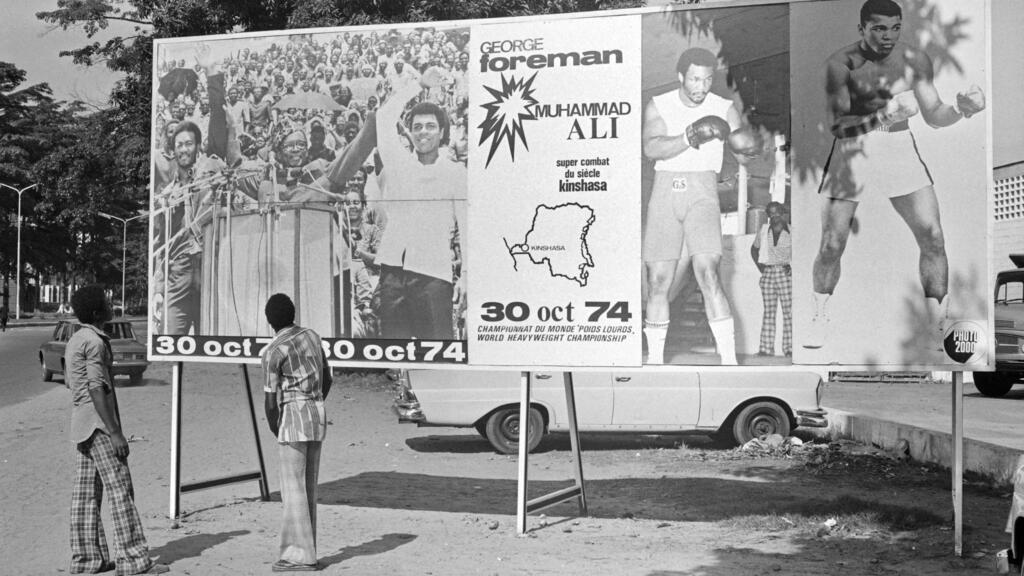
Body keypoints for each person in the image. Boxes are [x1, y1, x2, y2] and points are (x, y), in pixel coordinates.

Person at [806, 0, 986, 349]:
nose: (887, 35)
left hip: (898, 147)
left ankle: (937, 326)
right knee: (831, 243)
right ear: (862, 29)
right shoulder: (840, 64)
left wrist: (962, 110)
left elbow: (934, 115)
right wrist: (883, 116)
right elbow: (838, 127)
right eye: (878, 28)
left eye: (894, 27)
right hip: (853, 149)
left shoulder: (915, 60)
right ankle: (819, 317)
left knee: (933, 236)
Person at [641, 47, 761, 365]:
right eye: (695, 78)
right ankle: (654, 361)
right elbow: (651, 148)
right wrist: (691, 135)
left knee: (709, 273)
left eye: (707, 79)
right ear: (681, 76)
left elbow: (743, 154)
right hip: (665, 192)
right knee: (657, 281)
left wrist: (748, 146)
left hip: (703, 192)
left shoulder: (723, 107)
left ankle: (729, 361)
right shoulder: (660, 104)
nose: (701, 86)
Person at [66, 285, 169, 575]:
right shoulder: (96, 343)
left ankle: (88, 560)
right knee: (120, 489)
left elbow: (73, 384)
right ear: (99, 312)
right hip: (99, 425)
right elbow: (97, 387)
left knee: (86, 494)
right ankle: (134, 562)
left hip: (81, 423)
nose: (112, 306)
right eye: (108, 303)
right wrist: (114, 432)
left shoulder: (76, 339)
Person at [374, 68, 467, 339]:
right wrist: (417, 85)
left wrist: (467, 278)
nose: (422, 132)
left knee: (437, 352)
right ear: (410, 133)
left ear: (441, 132)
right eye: (416, 127)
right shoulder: (399, 163)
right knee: (395, 352)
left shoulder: (455, 173)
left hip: (433, 274)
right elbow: (384, 117)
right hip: (393, 272)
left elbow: (467, 228)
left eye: (430, 126)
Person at [262, 293, 332, 572]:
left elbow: (270, 401)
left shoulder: (274, 351)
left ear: (269, 321)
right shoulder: (313, 337)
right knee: (308, 488)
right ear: (292, 313)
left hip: (292, 419)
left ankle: (297, 556)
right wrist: (315, 401)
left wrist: (276, 426)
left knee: (293, 491)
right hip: (317, 417)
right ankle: (309, 552)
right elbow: (328, 379)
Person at [750, 202, 792, 357]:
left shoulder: (792, 231)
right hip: (768, 274)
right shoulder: (763, 231)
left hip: (784, 274)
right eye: (771, 214)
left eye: (777, 213)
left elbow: (801, 253)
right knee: (769, 312)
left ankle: (790, 349)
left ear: (783, 213)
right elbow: (753, 250)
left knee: (789, 312)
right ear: (768, 216)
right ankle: (766, 350)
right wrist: (762, 269)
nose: (774, 216)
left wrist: (791, 266)